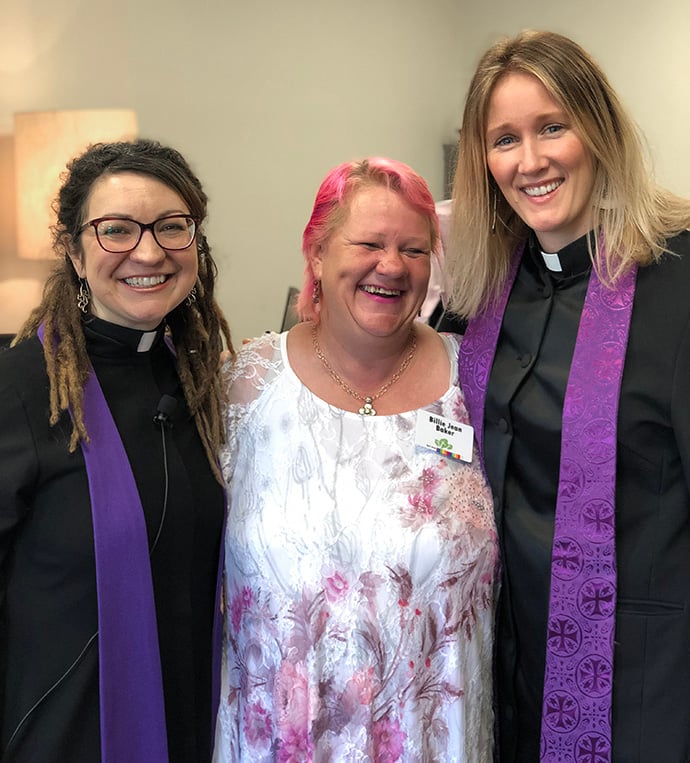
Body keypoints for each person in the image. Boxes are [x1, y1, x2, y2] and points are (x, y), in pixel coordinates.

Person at [445, 29, 690, 762]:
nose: (531, 160)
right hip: (505, 675)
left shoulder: (677, 282)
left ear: (599, 127)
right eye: (505, 139)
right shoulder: (479, 295)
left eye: (553, 126)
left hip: (646, 681)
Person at [214, 157, 498, 761]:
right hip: (279, 741)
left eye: (414, 251)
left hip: (436, 737)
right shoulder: (247, 385)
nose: (391, 266)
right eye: (368, 242)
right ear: (317, 254)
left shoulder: (476, 378)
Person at [0, 138, 234, 762]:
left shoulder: (206, 386)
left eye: (171, 227)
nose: (149, 251)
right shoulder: (22, 390)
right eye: (116, 230)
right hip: (65, 733)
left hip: (192, 720)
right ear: (75, 253)